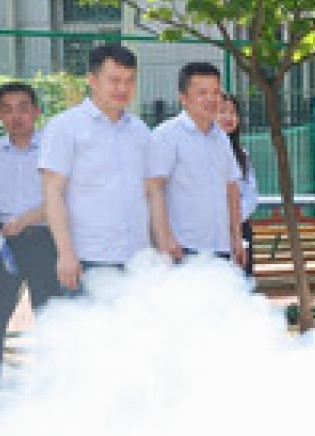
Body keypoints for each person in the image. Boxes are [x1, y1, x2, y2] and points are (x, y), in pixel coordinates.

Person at [40, 43, 151, 290]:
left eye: (129, 80)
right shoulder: (64, 127)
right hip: (88, 259)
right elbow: (52, 193)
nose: (122, 88)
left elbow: (149, 193)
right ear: (92, 80)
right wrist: (65, 254)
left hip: (138, 258)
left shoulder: (141, 131)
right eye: (114, 80)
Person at [0, 83, 61, 397]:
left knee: (50, 315)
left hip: (45, 239)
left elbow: (62, 198)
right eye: (7, 109)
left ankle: (54, 389)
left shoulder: (53, 150)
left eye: (23, 108)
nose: (16, 116)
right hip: (4, 245)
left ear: (36, 111)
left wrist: (24, 221)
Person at [144, 61, 244, 265]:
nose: (211, 99)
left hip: (220, 249)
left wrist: (236, 237)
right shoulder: (166, 136)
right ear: (183, 98)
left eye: (216, 92)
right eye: (202, 93)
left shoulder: (221, 138)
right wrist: (165, 239)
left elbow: (232, 189)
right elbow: (153, 189)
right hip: (183, 249)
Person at [217, 92, 258, 274]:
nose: (228, 117)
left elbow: (251, 195)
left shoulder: (242, 154)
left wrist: (235, 218)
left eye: (232, 112)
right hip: (214, 230)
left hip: (240, 228)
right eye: (222, 112)